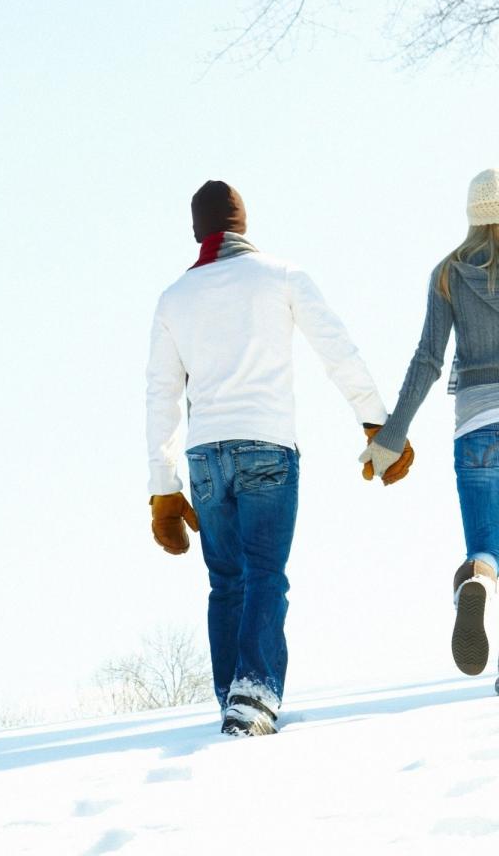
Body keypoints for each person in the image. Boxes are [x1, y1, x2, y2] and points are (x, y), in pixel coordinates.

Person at [146, 180, 412, 737]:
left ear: (197, 230)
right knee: (265, 575)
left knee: (226, 582)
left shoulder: (174, 298)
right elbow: (337, 349)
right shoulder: (282, 276)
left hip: (205, 456)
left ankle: (233, 697)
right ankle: (253, 695)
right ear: (242, 223)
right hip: (267, 445)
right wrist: (375, 422)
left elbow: (162, 396)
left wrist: (163, 487)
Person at [360, 168, 499, 678]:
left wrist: (391, 435)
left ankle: (477, 581)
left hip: (476, 427)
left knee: (486, 547)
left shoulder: (447, 273)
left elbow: (428, 360)